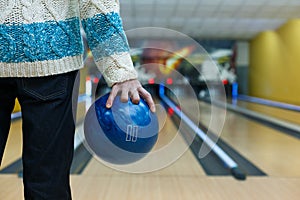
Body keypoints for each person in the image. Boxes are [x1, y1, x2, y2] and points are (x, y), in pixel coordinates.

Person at [0, 0, 155, 199]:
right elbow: (97, 6)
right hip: (52, 60)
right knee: (47, 185)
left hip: (54, 70)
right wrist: (121, 72)